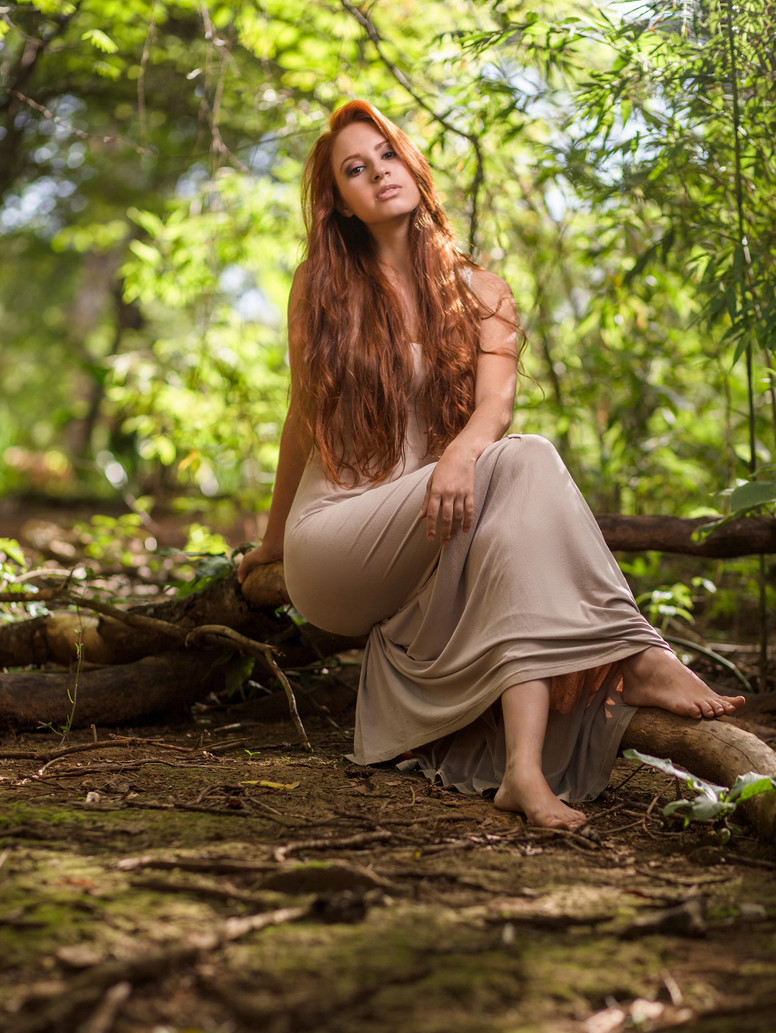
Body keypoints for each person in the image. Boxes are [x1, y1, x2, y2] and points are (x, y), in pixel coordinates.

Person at [237, 99, 744, 831]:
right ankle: (637, 656)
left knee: (516, 538)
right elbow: (300, 420)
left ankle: (524, 773)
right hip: (336, 543)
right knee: (527, 458)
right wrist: (273, 540)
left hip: (430, 534)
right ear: (339, 203)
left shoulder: (483, 292)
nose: (378, 173)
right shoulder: (323, 288)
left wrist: (457, 459)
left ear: (412, 165)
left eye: (386, 154)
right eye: (355, 168)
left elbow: (494, 410)